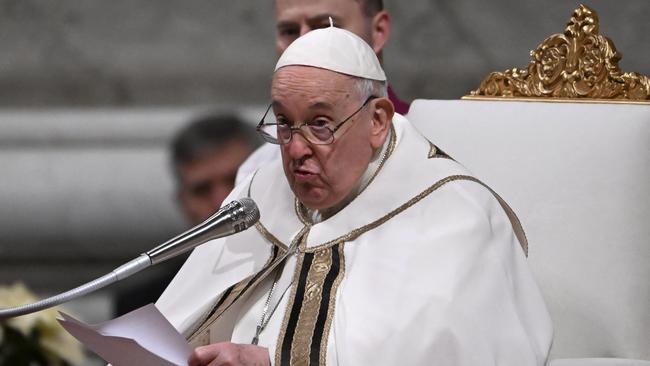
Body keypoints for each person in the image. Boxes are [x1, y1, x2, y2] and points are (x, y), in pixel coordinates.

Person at [157, 26, 553, 366]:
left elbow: (445, 352)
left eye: (320, 124)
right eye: (283, 123)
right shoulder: (260, 193)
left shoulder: (452, 213)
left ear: (377, 120)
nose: (296, 150)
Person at [235, 0, 408, 186]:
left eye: (327, 28)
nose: (305, 44)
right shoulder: (256, 176)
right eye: (290, 31)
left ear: (378, 31)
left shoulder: (432, 152)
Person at [114, 114, 259, 316]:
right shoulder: (145, 304)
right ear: (183, 203)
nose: (222, 201)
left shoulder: (309, 272)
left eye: (235, 179)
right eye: (202, 190)